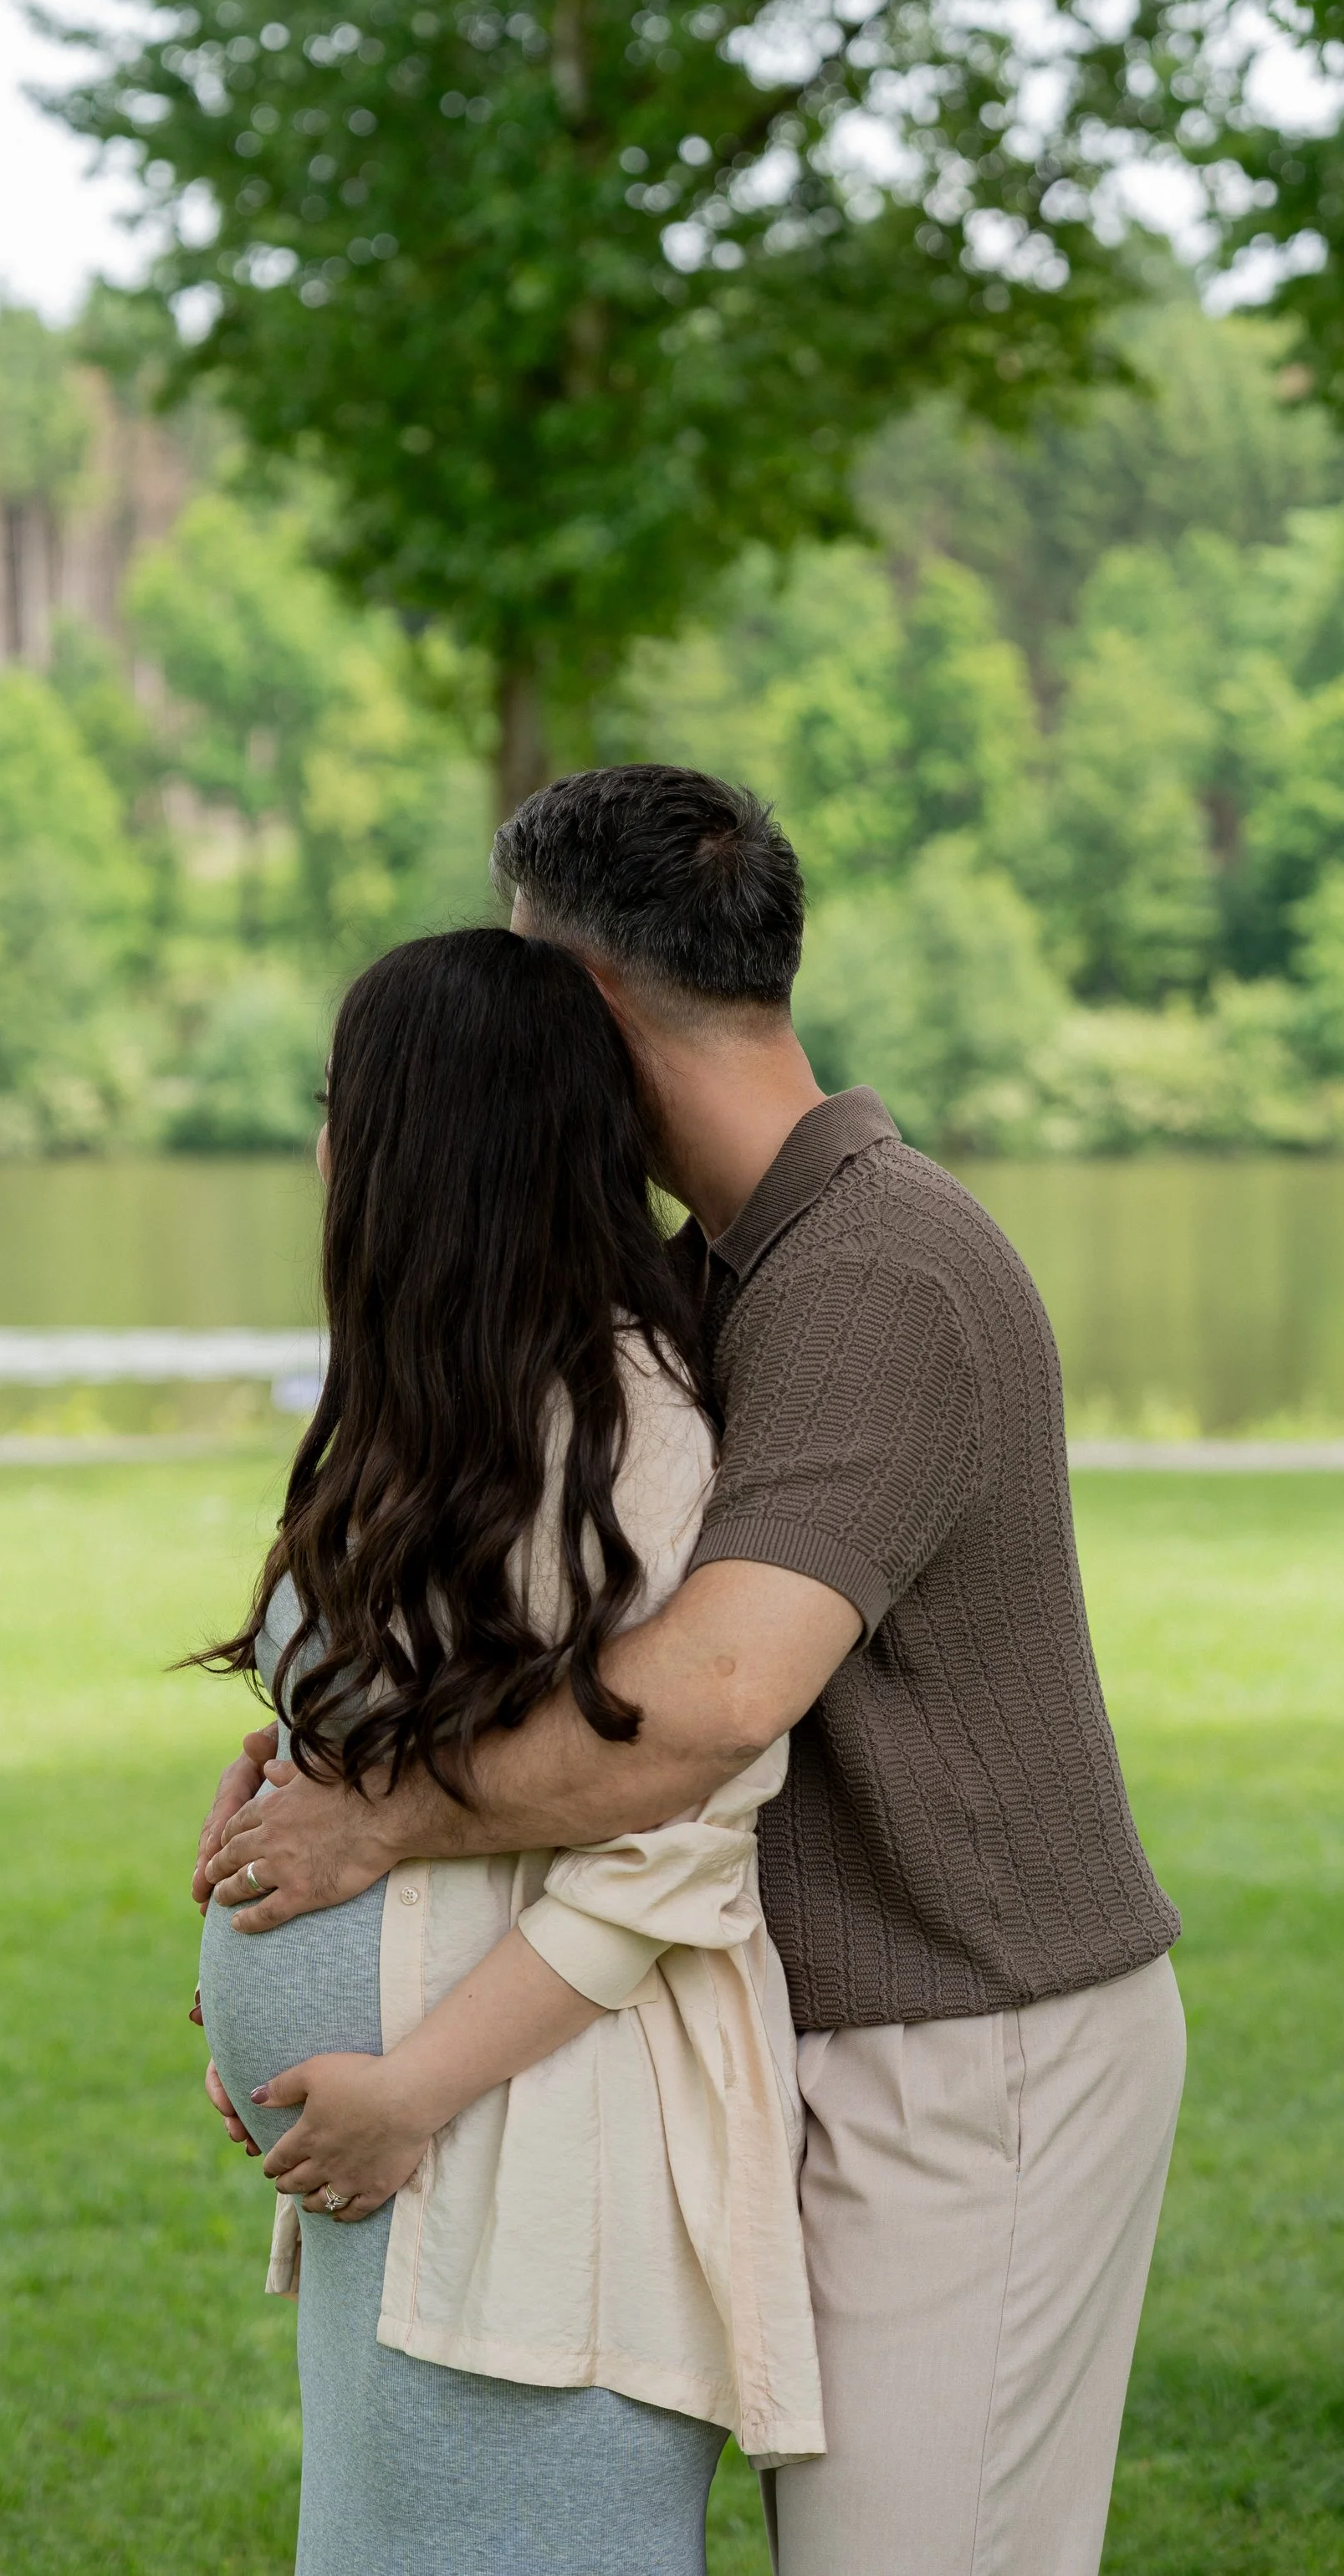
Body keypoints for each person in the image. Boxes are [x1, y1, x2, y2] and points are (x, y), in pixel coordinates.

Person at [200, 765, 1187, 2576]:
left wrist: (373, 1823)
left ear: (574, 1003)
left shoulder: (878, 1271)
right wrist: (304, 1765)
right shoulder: (719, 1264)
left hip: (961, 2052)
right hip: (797, 2033)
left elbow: (714, 1700)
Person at [191, 924, 823, 2576]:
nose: (324, 1140)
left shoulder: (624, 1432)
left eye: (348, 1098)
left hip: (534, 2183)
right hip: (401, 2186)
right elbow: (419, 1730)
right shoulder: (436, 1407)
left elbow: (677, 1832)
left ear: (436, 1136)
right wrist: (262, 1847)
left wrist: (405, 2084)